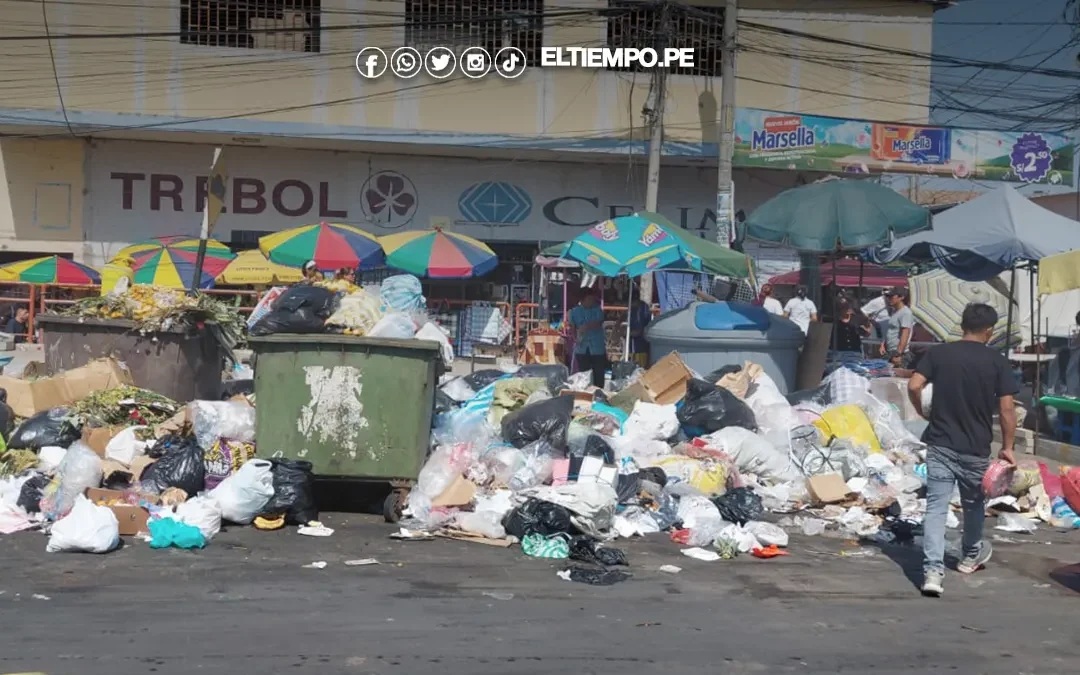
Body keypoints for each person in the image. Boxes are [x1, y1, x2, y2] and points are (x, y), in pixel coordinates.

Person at [907, 303, 1018, 597]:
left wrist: (923, 412)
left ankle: (932, 571)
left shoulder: (939, 353)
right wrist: (1008, 447)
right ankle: (969, 557)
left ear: (962, 324)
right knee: (973, 505)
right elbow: (1007, 409)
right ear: (990, 330)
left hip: (941, 443)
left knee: (936, 507)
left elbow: (914, 385)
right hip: (975, 448)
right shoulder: (997, 361)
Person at [569, 288, 608, 389]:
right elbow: (572, 328)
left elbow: (598, 322)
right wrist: (575, 338)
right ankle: (586, 393)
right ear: (582, 300)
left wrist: (586, 326)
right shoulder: (574, 312)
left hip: (597, 347)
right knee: (584, 374)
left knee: (598, 373)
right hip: (582, 347)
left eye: (592, 299)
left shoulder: (597, 310)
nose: (591, 301)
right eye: (589, 299)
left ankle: (599, 392)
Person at [880, 286, 914, 367]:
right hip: (889, 351)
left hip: (899, 353)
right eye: (888, 296)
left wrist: (898, 353)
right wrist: (883, 344)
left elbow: (905, 334)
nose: (889, 298)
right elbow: (891, 331)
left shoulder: (906, 313)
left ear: (901, 297)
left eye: (892, 296)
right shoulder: (894, 311)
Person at [629, 297, 652, 368]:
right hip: (634, 345)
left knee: (640, 367)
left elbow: (639, 331)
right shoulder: (633, 309)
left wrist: (627, 334)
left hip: (641, 347)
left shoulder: (643, 310)